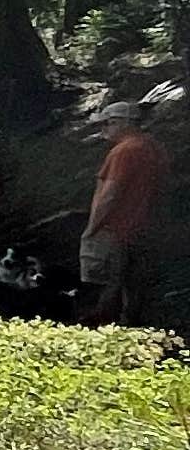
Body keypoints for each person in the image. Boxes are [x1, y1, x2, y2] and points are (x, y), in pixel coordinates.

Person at [80, 104, 171, 324]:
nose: (104, 129)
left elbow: (110, 194)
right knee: (134, 284)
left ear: (124, 123)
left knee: (108, 283)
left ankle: (103, 328)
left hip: (115, 229)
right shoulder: (155, 148)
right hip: (145, 228)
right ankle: (130, 325)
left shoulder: (123, 151)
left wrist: (92, 229)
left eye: (108, 123)